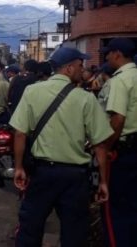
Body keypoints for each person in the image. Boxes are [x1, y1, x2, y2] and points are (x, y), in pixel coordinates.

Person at [11, 47, 113, 247]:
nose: (82, 70)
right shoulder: (86, 99)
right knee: (74, 234)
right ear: (68, 69)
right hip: (75, 178)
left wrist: (19, 167)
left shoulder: (32, 92)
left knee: (30, 228)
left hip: (42, 174)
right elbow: (100, 145)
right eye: (79, 66)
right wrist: (102, 181)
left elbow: (20, 133)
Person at [100, 37, 137, 247]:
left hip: (124, 152)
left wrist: (108, 147)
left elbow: (118, 119)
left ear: (117, 54)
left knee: (116, 209)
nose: (106, 57)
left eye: (108, 53)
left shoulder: (120, 80)